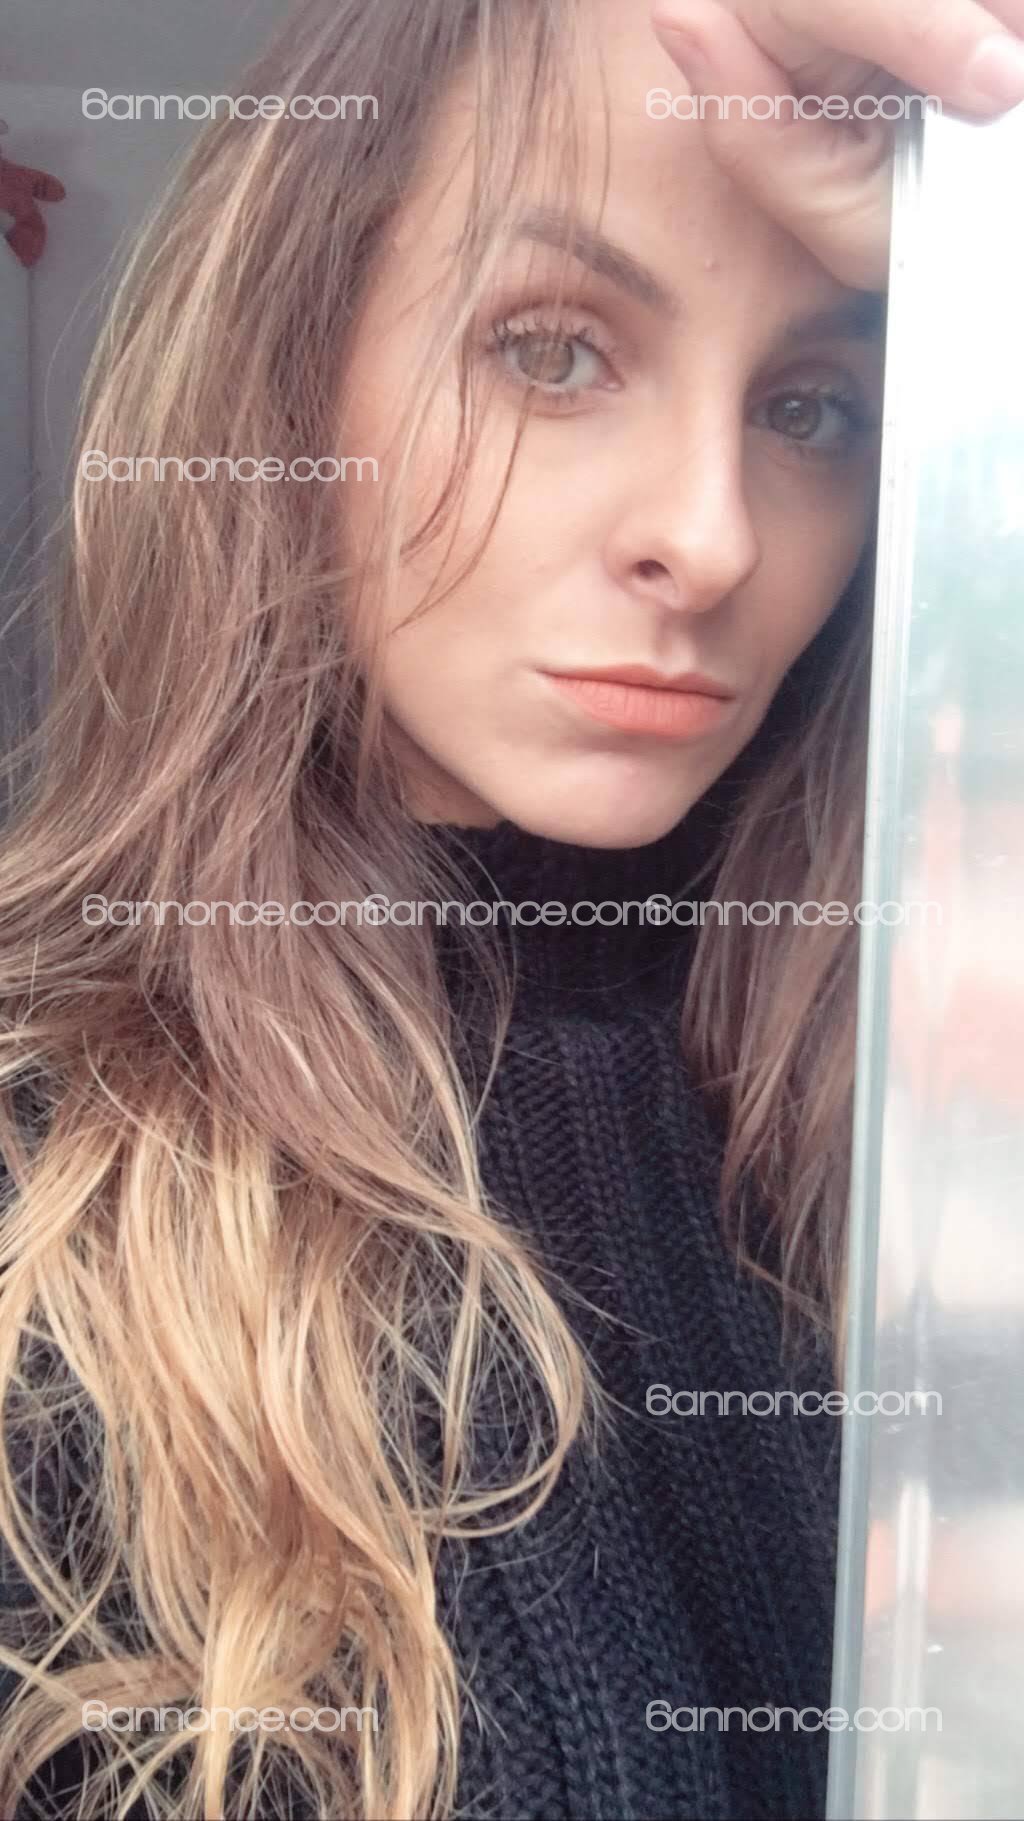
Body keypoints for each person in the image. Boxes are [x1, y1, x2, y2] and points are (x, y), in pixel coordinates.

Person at [0, 1, 1020, 1816]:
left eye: (814, 406)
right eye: (555, 351)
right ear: (290, 369)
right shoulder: (47, 1205)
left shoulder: (933, 1115)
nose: (711, 536)